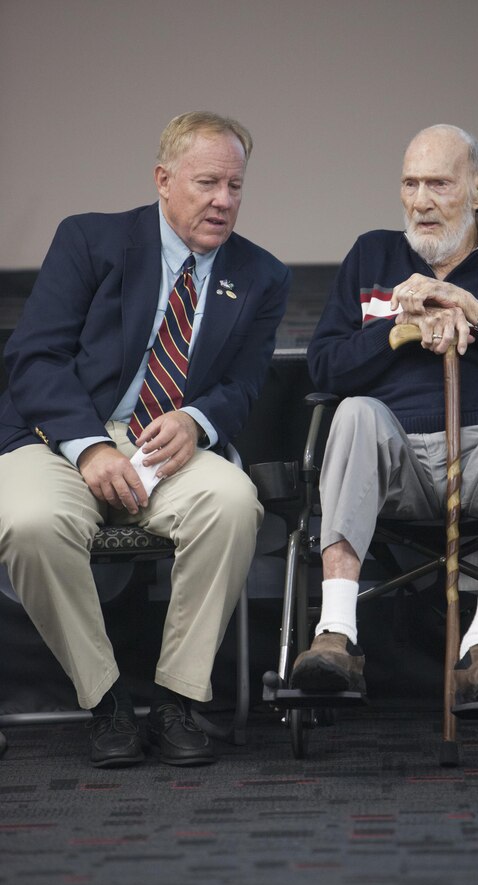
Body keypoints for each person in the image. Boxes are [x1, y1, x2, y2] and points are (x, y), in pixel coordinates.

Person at [0, 111, 290, 767]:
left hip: (169, 444)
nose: (223, 201)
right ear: (164, 180)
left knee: (233, 504)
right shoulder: (91, 241)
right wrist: (90, 447)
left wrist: (199, 421)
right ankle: (105, 702)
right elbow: (35, 359)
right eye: (208, 182)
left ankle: (178, 699)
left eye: (236, 186)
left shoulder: (262, 274)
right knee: (29, 521)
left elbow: (244, 385)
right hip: (61, 437)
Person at [290, 124, 478, 704]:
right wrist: (397, 330)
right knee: (353, 413)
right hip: (393, 459)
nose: (421, 201)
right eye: (410, 183)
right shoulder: (372, 253)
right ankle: (336, 635)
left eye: (439, 184)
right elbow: (324, 368)